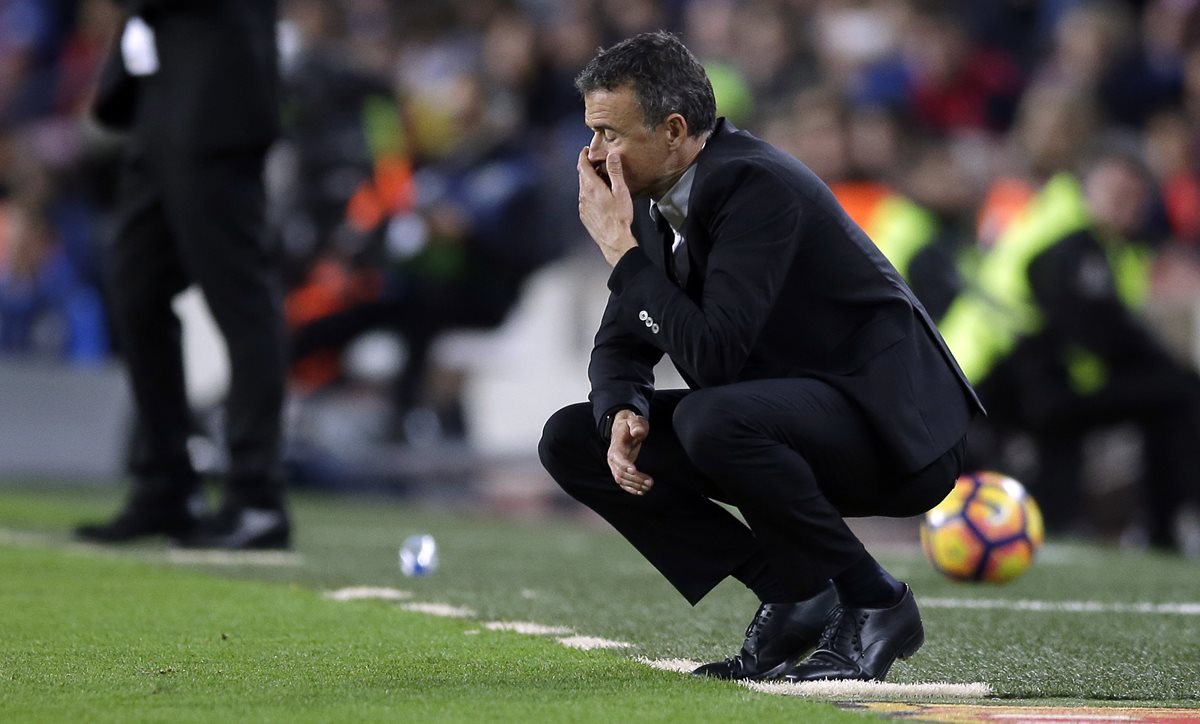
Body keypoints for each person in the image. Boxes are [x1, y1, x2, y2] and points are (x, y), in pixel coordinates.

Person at [538, 32, 982, 683]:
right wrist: (622, 411)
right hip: (790, 415)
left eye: (609, 134)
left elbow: (715, 355)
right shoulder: (662, 196)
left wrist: (622, 253)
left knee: (713, 418)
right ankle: (796, 591)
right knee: (572, 438)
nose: (594, 154)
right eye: (592, 132)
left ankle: (876, 601)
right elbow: (620, 345)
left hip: (895, 429)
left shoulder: (753, 184)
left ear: (675, 129)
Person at [74, 0, 290, 549]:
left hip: (218, 94)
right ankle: (165, 484)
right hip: (159, 95)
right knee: (135, 291)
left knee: (240, 300)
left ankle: (255, 497)